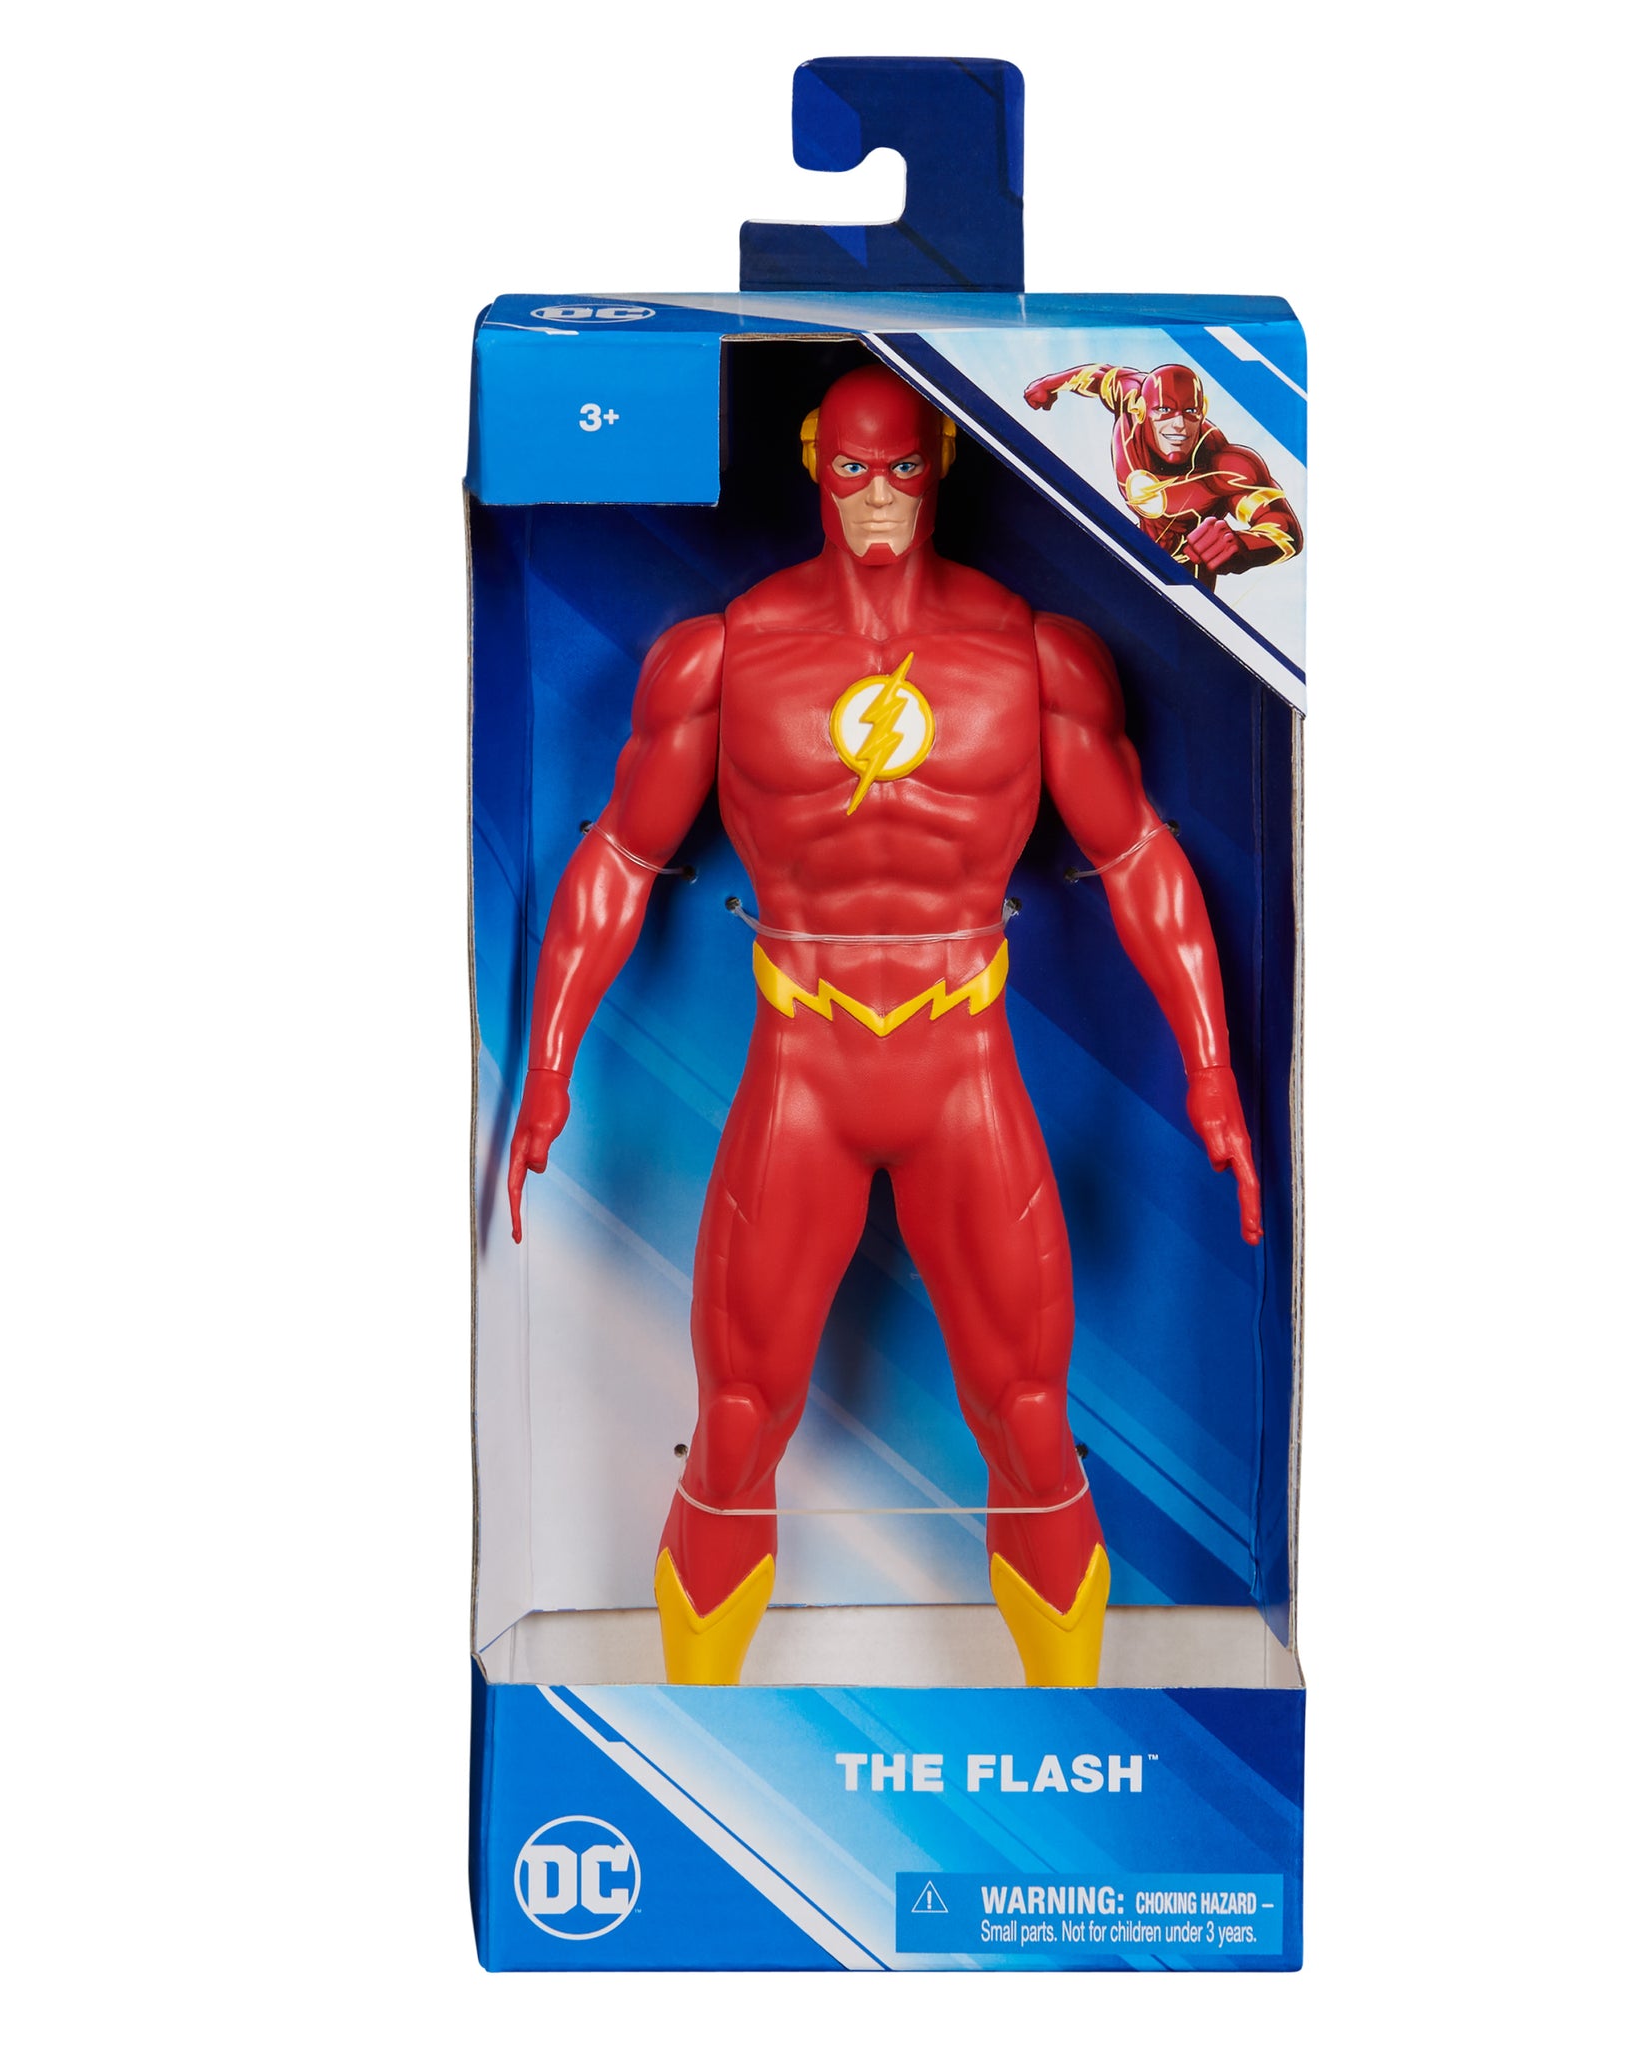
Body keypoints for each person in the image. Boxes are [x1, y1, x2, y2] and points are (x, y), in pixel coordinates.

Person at [508, 364, 1261, 1687]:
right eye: (852, 468)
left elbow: (1139, 857)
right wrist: (549, 1066)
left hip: (962, 1069)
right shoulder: (725, 653)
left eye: (903, 467)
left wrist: (1211, 1067)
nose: (876, 497)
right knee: (736, 1422)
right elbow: (619, 856)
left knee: (1031, 1424)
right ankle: (697, 1712)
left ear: (944, 464)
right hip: (800, 1072)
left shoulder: (1031, 655)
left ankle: (1062, 1725)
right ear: (812, 461)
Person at [1024, 359, 1303, 579]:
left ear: (1202, 410)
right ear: (1141, 408)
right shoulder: (1131, 397)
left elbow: (1284, 531)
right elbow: (1097, 376)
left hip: (1186, 570)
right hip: (1137, 542)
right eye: (1165, 411)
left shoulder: (1226, 466)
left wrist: (1243, 546)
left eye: (1190, 412)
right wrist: (1049, 384)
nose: (1179, 425)